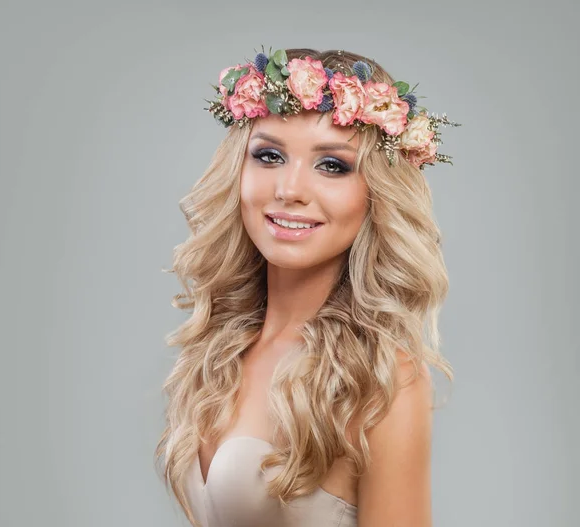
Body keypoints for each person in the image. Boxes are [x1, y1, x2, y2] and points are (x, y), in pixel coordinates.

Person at [155, 47, 458, 527]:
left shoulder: (379, 379)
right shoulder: (219, 352)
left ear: (377, 193)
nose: (289, 189)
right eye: (269, 156)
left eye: (333, 165)